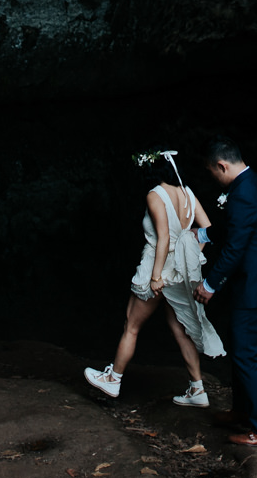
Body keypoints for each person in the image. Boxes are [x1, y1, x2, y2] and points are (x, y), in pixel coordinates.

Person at [84, 149, 225, 404]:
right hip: (182, 271)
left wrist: (156, 277)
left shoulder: (155, 194)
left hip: (157, 268)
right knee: (179, 329)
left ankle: (113, 379)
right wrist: (190, 253)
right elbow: (208, 229)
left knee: (132, 325)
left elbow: (164, 238)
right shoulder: (188, 194)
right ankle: (197, 390)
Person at [195, 137, 257, 446]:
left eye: (213, 173)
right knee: (241, 347)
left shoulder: (245, 192)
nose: (214, 179)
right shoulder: (255, 182)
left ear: (222, 166)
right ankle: (242, 411)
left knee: (248, 353)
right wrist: (202, 233)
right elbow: (235, 228)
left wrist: (209, 284)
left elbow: (237, 247)